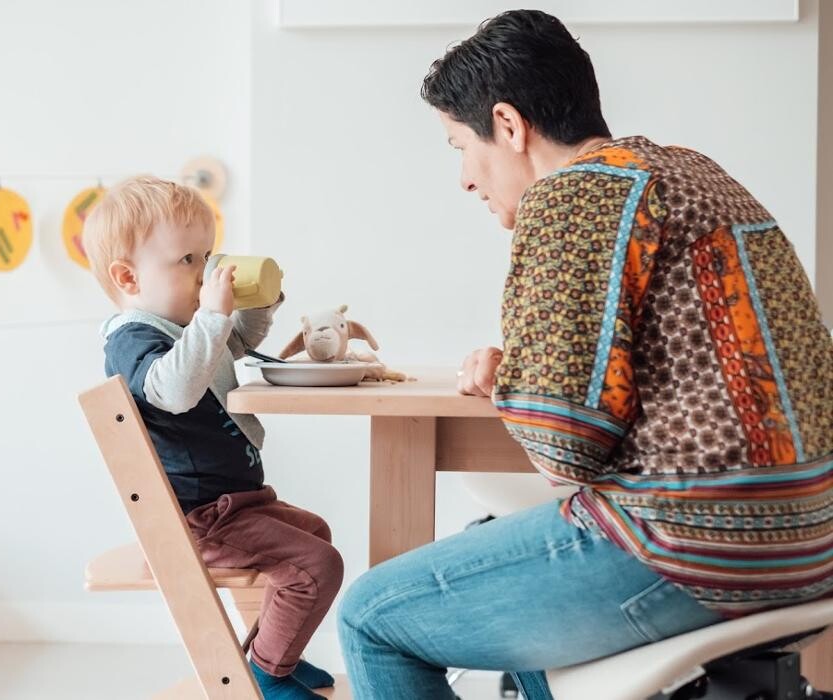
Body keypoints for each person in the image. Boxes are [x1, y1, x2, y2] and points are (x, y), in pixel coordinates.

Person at [337, 10, 833, 699]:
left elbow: (561, 449)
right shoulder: (691, 173)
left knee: (372, 617)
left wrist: (513, 382)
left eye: (458, 147)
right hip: (807, 538)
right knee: (516, 610)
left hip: (691, 540)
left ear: (507, 126)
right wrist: (523, 368)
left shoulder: (573, 195)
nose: (464, 181)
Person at [83, 175, 343, 699]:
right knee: (317, 564)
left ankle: (275, 657)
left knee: (315, 533)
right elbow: (173, 389)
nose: (204, 272)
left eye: (207, 255)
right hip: (203, 518)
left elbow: (234, 342)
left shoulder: (188, 327)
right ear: (128, 277)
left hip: (237, 502)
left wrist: (255, 303)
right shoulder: (132, 337)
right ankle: (269, 674)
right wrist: (212, 315)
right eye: (187, 261)